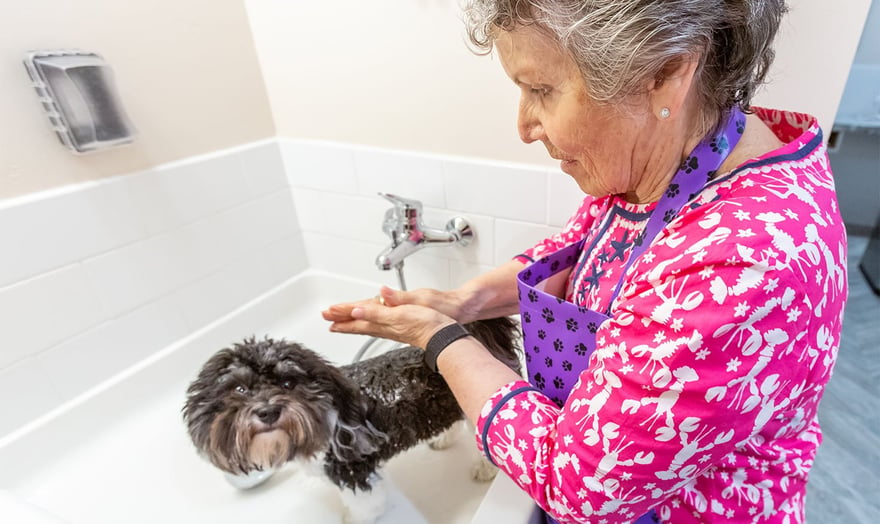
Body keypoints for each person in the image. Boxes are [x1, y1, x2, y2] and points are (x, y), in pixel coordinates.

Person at [322, 0, 848, 522]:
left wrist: (441, 339)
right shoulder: (663, 158)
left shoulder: (742, 260)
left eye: (541, 90)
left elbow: (581, 485)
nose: (525, 126)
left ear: (667, 75)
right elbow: (578, 250)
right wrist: (467, 299)